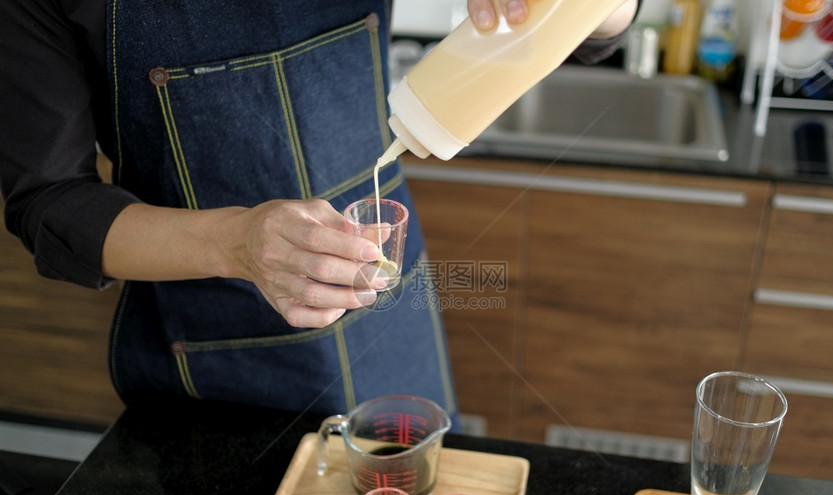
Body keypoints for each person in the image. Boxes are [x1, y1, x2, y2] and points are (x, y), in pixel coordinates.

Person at [0, 0, 637, 421]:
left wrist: (604, 7)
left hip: (389, 314)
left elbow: (593, 26)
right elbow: (51, 200)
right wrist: (235, 243)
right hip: (206, 357)